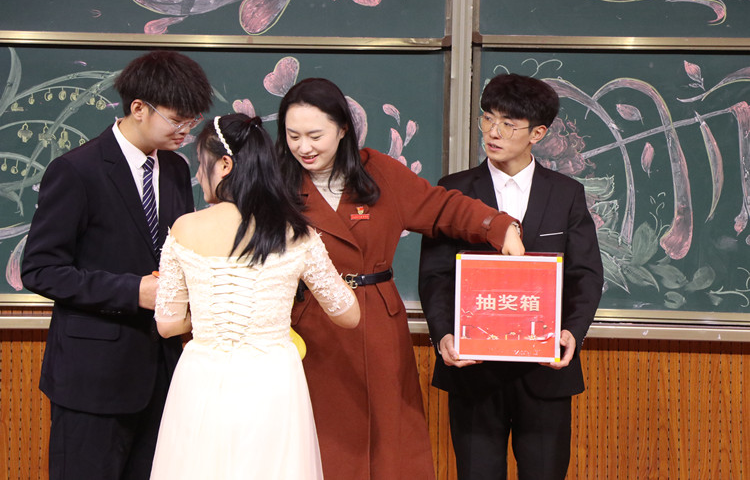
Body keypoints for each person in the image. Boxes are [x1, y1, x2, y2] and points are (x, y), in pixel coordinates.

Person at [275, 77, 525, 480]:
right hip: (307, 323)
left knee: (389, 435)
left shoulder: (377, 171)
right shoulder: (274, 182)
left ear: (343, 129)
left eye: (315, 136)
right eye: (293, 136)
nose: (304, 147)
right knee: (320, 438)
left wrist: (498, 226)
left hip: (377, 319)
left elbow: (440, 207)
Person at [21, 50, 213, 480]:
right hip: (92, 376)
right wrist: (132, 291)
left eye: (192, 120)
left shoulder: (176, 170)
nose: (185, 130)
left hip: (162, 370)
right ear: (138, 108)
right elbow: (40, 268)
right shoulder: (76, 170)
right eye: (176, 119)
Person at [149, 114, 360, 479]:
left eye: (201, 164)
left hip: (202, 376)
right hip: (272, 378)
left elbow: (167, 324)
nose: (198, 174)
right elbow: (347, 313)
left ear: (224, 165)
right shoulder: (296, 232)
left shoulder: (185, 228)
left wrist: (208, 315)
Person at [418, 73, 604, 480]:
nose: (493, 132)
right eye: (487, 119)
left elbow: (586, 273)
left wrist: (572, 332)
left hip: (545, 370)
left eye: (508, 124)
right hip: (473, 369)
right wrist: (443, 335)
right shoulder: (453, 191)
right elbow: (434, 275)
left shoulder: (566, 193)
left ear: (538, 133)